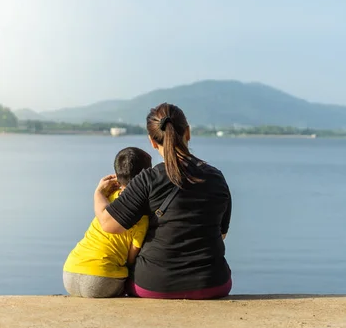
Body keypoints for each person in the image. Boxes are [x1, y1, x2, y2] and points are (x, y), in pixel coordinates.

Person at [94, 103, 232, 299]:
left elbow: (108, 224)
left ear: (152, 141)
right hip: (213, 283)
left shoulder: (147, 179)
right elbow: (221, 234)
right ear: (188, 133)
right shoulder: (216, 178)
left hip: (155, 285)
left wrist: (98, 195)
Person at [62, 147, 152, 298]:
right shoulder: (141, 214)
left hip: (70, 272)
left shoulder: (107, 197)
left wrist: (99, 191)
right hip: (102, 280)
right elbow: (131, 258)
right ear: (147, 176)